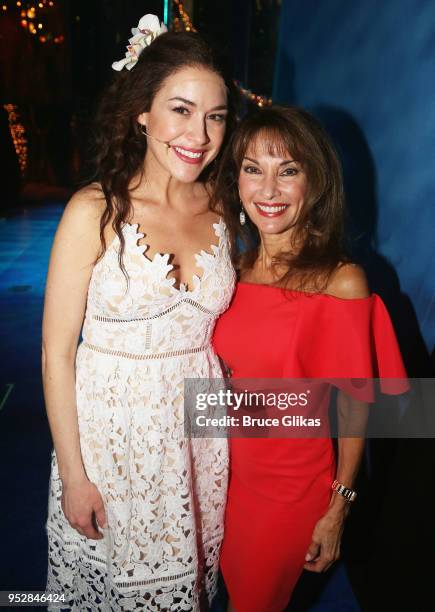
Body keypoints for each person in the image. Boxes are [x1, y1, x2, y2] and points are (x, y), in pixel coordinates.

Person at [42, 14, 237, 611]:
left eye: (216, 116)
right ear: (142, 113)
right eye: (180, 109)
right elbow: (55, 354)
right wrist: (75, 475)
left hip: (200, 441)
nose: (199, 134)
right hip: (112, 443)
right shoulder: (93, 211)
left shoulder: (227, 208)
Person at [212, 106, 408, 611]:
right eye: (253, 169)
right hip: (219, 479)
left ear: (314, 183)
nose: (268, 190)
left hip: (287, 491)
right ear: (236, 181)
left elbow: (355, 404)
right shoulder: (230, 272)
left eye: (288, 170)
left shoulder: (340, 282)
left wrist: (338, 508)